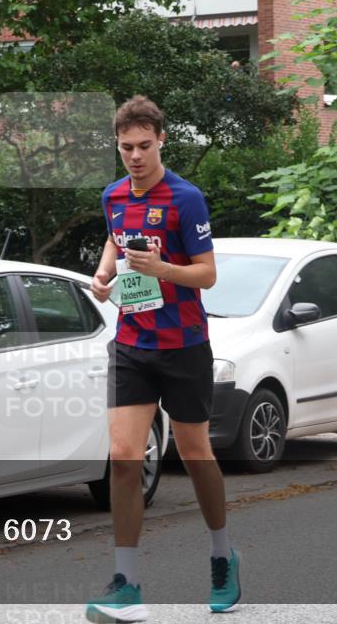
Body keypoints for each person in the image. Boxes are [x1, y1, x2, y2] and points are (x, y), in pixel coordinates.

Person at [85, 95, 238, 622]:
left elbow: (207, 274)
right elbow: (114, 237)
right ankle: (126, 582)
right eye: (126, 147)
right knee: (125, 456)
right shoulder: (112, 196)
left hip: (184, 345)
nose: (134, 156)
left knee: (195, 454)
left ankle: (222, 557)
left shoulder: (185, 198)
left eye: (144, 146)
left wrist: (163, 269)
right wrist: (105, 274)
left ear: (161, 141)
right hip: (131, 344)